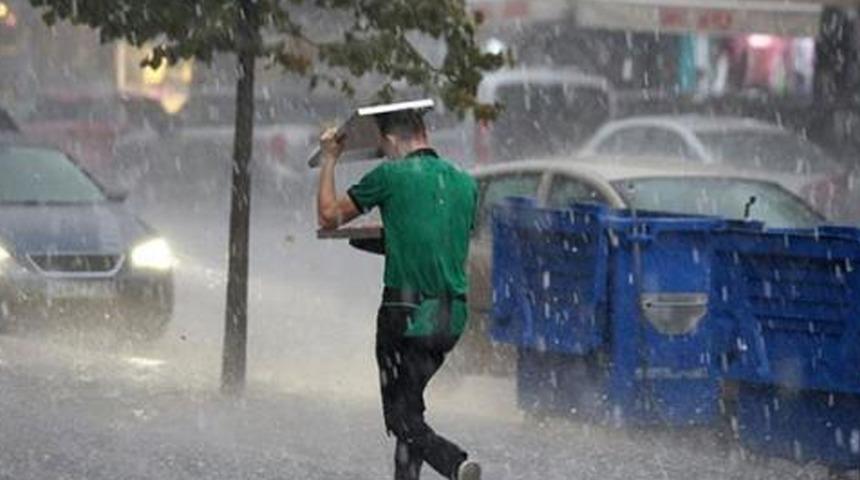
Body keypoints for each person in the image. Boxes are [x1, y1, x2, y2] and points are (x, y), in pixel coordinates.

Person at [316, 109, 481, 480]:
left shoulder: (390, 176)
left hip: (404, 312)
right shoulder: (465, 184)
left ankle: (454, 463)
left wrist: (329, 159)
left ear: (390, 141)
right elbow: (437, 239)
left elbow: (328, 215)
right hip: (450, 318)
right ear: (424, 131)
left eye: (383, 147)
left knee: (400, 417)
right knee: (411, 411)